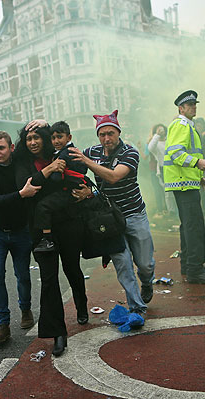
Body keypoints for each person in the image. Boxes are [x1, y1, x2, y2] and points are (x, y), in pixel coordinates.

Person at [15, 124, 88, 357]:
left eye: (37, 137)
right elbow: (28, 185)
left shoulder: (59, 152)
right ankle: (58, 333)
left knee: (72, 269)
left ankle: (81, 305)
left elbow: (82, 176)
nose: (33, 142)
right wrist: (48, 171)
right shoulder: (23, 162)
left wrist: (87, 191)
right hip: (40, 229)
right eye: (28, 138)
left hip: (67, 223)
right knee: (48, 279)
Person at [71, 110, 156, 308]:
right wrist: (85, 192)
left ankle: (146, 282)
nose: (107, 138)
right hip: (109, 219)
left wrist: (86, 162)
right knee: (123, 264)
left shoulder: (130, 152)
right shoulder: (91, 152)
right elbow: (74, 172)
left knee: (145, 264)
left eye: (111, 133)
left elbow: (114, 176)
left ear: (119, 132)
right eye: (102, 134)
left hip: (134, 214)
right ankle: (137, 307)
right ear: (97, 135)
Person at [0, 131, 40, 343]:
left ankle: (26, 310)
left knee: (22, 274)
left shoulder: (20, 163)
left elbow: (31, 138)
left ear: (11, 148)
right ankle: (3, 324)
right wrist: (22, 194)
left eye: (1, 148)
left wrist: (39, 124)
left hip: (21, 230)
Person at [163, 90, 205, 284]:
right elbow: (176, 153)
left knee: (188, 225)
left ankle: (188, 265)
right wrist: (198, 164)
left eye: (195, 104)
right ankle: (195, 270)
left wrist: (199, 177)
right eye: (190, 105)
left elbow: (185, 156)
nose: (194, 107)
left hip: (185, 182)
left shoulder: (186, 125)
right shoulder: (181, 125)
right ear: (181, 108)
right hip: (183, 184)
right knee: (194, 226)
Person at [30, 121, 89, 254]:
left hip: (68, 192)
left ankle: (47, 239)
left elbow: (56, 178)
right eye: (53, 138)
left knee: (43, 206)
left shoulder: (63, 154)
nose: (56, 141)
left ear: (69, 137)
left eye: (59, 137)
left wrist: (49, 175)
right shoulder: (73, 151)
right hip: (73, 190)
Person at [147, 123, 167, 218]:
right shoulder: (154, 142)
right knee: (159, 191)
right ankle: (161, 209)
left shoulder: (169, 141)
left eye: (162, 129)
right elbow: (150, 148)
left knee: (169, 193)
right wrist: (157, 135)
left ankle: (169, 210)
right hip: (157, 170)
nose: (161, 130)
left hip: (170, 169)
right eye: (158, 129)